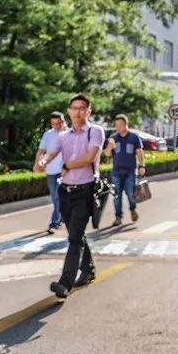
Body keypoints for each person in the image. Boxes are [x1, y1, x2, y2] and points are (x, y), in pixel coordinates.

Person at [35, 93, 104, 298]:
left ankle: (65, 283)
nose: (78, 111)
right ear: (69, 111)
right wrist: (43, 162)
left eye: (82, 108)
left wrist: (66, 165)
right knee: (76, 234)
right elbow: (51, 152)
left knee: (74, 238)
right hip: (64, 191)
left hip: (85, 190)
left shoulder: (95, 132)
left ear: (88, 111)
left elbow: (89, 157)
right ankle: (88, 268)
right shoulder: (62, 136)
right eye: (74, 108)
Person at [103, 114, 146, 226]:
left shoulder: (134, 137)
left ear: (126, 124)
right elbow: (107, 154)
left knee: (131, 194)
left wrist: (142, 166)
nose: (118, 127)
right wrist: (109, 147)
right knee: (117, 197)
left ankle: (132, 209)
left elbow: (140, 152)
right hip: (116, 172)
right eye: (116, 125)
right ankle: (118, 217)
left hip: (130, 172)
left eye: (121, 125)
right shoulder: (113, 138)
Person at [35, 111, 66, 234]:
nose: (56, 126)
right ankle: (62, 216)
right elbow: (41, 150)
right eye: (53, 124)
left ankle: (54, 222)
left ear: (63, 122)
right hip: (51, 171)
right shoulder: (48, 134)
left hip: (64, 171)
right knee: (55, 197)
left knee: (58, 197)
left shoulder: (69, 133)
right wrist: (37, 163)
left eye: (58, 123)